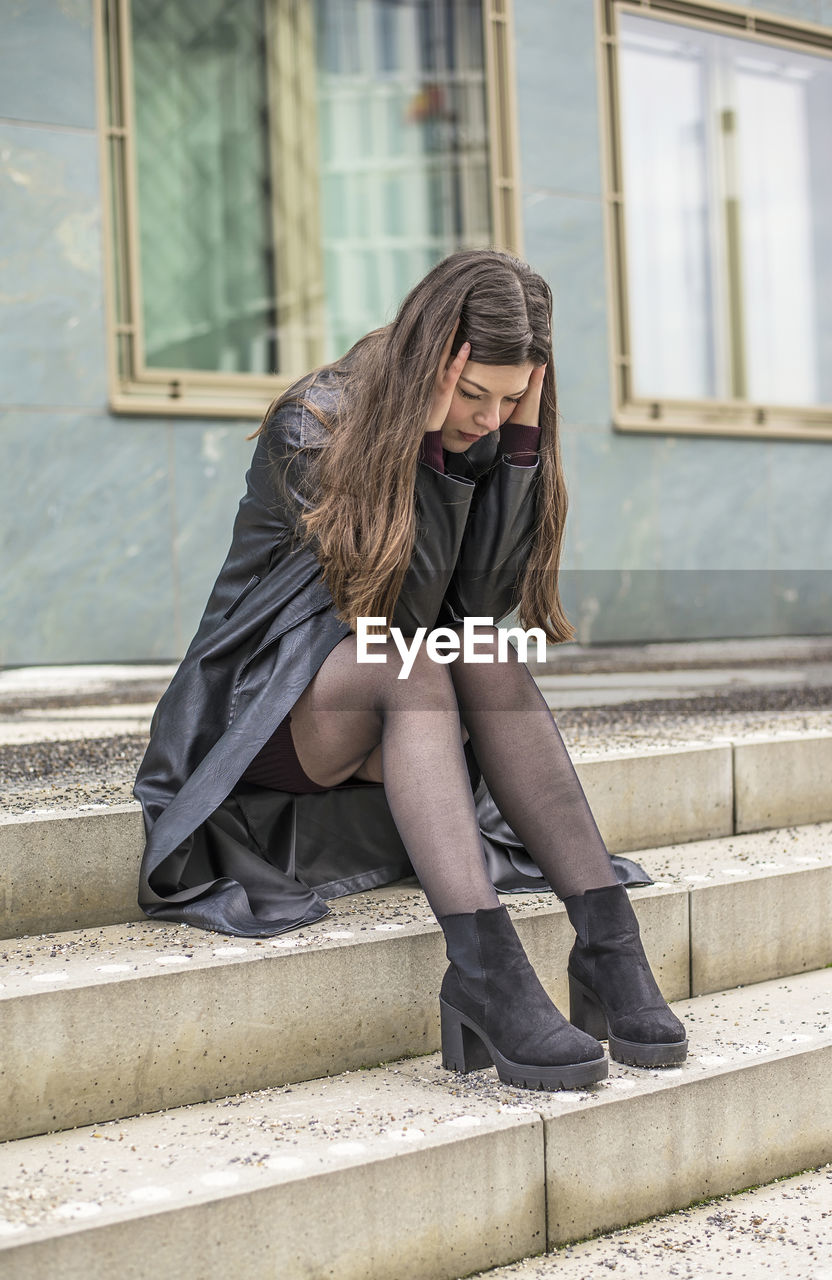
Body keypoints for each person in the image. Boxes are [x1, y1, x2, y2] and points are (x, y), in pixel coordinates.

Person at [134, 248, 687, 1091]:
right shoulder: (312, 425)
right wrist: (430, 448)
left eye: (512, 399)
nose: (489, 418)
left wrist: (521, 447)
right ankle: (483, 967)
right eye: (473, 395)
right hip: (268, 714)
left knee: (483, 650)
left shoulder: (498, 431)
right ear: (431, 364)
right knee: (414, 662)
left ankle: (609, 946)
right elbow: (391, 608)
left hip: (395, 707)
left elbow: (481, 604)